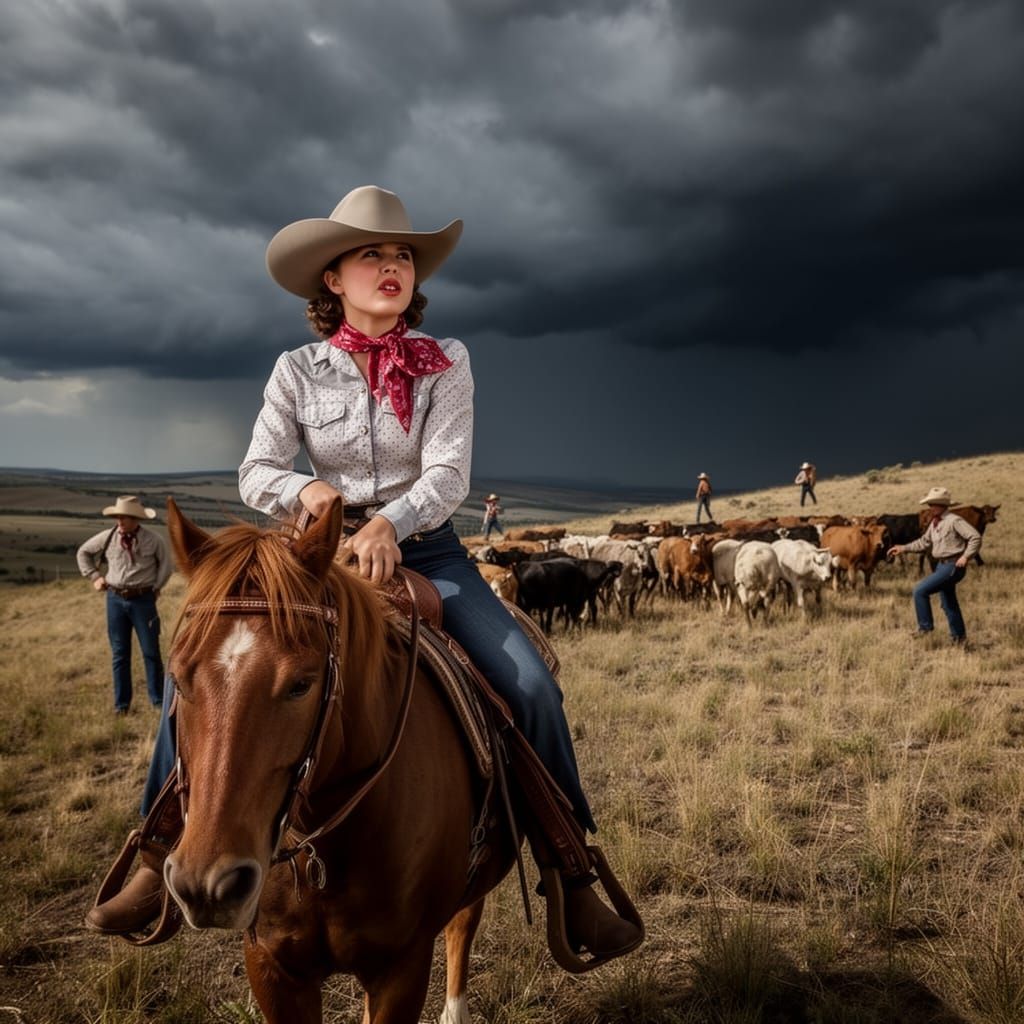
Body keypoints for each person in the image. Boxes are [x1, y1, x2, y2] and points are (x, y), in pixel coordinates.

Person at [88, 185, 642, 963]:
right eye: (372, 254)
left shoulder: (448, 362)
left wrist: (391, 523)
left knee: (529, 684)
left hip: (427, 549)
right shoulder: (298, 370)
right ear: (333, 280)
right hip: (311, 553)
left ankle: (570, 871)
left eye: (404, 255)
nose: (392, 265)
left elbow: (449, 472)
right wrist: (312, 493)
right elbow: (257, 469)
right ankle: (157, 854)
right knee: (207, 678)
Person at [75, 496, 171, 714]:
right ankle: (122, 705)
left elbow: (166, 566)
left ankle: (157, 701)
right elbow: (83, 552)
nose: (119, 520)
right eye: (117, 516)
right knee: (120, 653)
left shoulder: (154, 540)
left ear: (136, 518)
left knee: (151, 652)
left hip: (143, 600)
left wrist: (156, 588)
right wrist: (94, 577)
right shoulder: (107, 537)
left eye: (124, 517)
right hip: (115, 600)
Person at [887, 486, 981, 646]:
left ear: (942, 505)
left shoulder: (954, 520)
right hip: (941, 566)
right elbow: (924, 542)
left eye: (932, 505)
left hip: (952, 566)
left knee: (920, 590)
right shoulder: (935, 523)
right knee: (948, 603)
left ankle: (925, 627)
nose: (929, 508)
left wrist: (966, 556)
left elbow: (975, 537)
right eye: (929, 505)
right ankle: (959, 639)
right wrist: (903, 548)